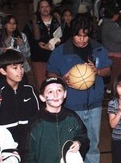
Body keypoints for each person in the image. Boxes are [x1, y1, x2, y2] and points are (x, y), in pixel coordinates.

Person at [46, 16, 111, 163]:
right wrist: (62, 80)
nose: (82, 39)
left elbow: (108, 70)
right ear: (72, 34)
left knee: (93, 144)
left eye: (85, 35)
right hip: (72, 106)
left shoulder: (98, 48)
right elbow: (50, 74)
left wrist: (98, 71)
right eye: (78, 35)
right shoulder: (61, 51)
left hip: (94, 106)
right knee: (73, 146)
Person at [23, 77, 90, 162]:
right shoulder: (35, 124)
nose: (56, 95)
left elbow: (83, 138)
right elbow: (28, 155)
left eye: (59, 90)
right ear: (42, 97)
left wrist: (79, 143)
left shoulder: (72, 117)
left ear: (65, 94)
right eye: (50, 92)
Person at [0, 49, 40, 154]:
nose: (20, 71)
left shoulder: (30, 90)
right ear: (3, 71)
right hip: (5, 147)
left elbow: (39, 116)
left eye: (21, 66)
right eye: (15, 68)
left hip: (29, 146)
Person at [22, 0, 61, 90]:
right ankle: (43, 102)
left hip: (56, 56)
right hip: (39, 57)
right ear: (39, 9)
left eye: (47, 6)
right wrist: (38, 44)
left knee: (56, 82)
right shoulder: (32, 23)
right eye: (42, 7)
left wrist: (58, 42)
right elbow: (26, 39)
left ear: (50, 8)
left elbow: (66, 35)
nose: (45, 9)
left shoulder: (57, 21)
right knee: (41, 84)